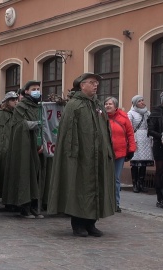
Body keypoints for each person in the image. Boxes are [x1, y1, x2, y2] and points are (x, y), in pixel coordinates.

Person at [47, 73, 115, 237]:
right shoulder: (74, 106)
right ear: (81, 85)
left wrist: (106, 150)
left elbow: (106, 130)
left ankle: (91, 223)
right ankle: (78, 224)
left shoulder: (97, 104)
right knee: (80, 187)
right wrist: (74, 154)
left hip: (97, 155)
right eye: (92, 82)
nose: (95, 85)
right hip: (81, 156)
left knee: (96, 186)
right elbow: (68, 134)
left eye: (96, 83)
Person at [2, 81, 45, 219]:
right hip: (25, 146)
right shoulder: (21, 106)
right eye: (34, 89)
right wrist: (35, 124)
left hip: (39, 145)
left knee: (37, 176)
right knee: (26, 176)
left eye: (38, 89)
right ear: (26, 91)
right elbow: (19, 125)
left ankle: (34, 206)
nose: (37, 91)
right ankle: (24, 207)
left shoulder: (41, 106)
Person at [104, 96, 136, 213]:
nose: (107, 106)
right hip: (105, 152)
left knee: (116, 179)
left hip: (120, 152)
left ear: (115, 106)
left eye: (110, 104)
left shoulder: (123, 117)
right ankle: (106, 203)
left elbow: (130, 134)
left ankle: (116, 203)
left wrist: (131, 149)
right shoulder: (101, 117)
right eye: (106, 104)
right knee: (106, 178)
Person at [0, 91, 18, 201]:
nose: (15, 102)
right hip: (3, 147)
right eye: (13, 100)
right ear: (7, 102)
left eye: (16, 100)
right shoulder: (1, 114)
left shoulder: (16, 113)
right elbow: (0, 133)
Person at [127, 95, 154, 193]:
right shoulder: (131, 113)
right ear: (135, 103)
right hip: (136, 137)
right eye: (139, 101)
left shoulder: (148, 113)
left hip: (146, 138)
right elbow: (129, 128)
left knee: (143, 163)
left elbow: (150, 126)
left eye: (143, 100)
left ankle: (141, 184)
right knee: (135, 163)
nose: (142, 102)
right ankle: (135, 184)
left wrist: (151, 138)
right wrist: (133, 140)